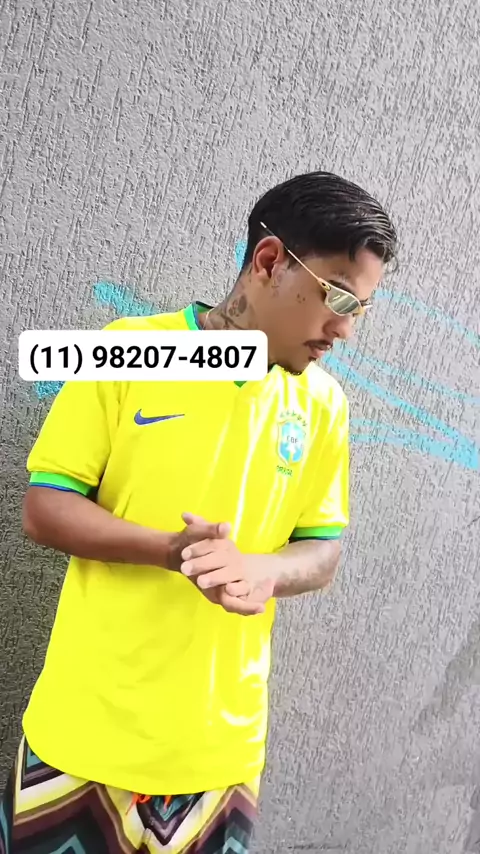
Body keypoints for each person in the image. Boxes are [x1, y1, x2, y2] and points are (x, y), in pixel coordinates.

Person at [1, 171, 397, 853]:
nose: (344, 329)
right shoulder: (129, 349)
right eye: (337, 296)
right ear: (268, 261)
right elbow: (45, 507)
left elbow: (322, 551)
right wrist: (168, 551)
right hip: (81, 740)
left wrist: (266, 570)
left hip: (221, 762)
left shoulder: (324, 406)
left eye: (359, 308)